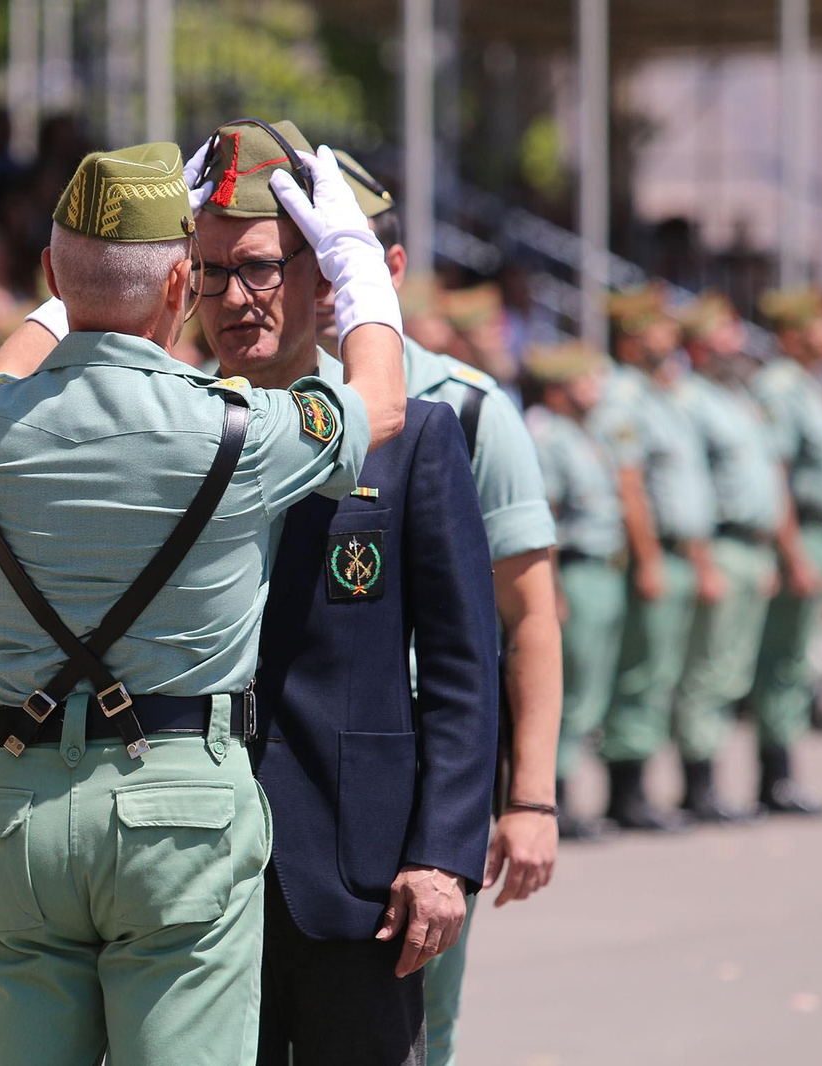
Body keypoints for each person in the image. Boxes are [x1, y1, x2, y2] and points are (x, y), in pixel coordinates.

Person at [0, 138, 403, 1066]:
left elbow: (8, 361)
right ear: (178, 286)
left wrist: (76, 285)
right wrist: (356, 268)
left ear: (49, 271)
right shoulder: (233, 430)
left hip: (19, 808)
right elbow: (381, 402)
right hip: (177, 813)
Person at [185, 119, 501, 1065]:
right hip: (192, 867)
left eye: (262, 268)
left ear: (328, 277)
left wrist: (443, 853)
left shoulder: (414, 439)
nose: (236, 299)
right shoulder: (172, 433)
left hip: (357, 865)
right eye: (209, 273)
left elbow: (460, 667)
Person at [326, 150, 563, 1066]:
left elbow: (531, 615)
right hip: (291, 758)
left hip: (418, 765)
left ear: (387, 269)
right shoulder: (254, 398)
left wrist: (530, 797)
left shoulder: (463, 410)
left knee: (416, 1021)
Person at [589, 287, 716, 833]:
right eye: (661, 328)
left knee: (663, 673)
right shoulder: (624, 397)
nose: (672, 338)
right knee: (640, 675)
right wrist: (647, 560)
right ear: (635, 335)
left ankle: (645, 787)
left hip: (679, 552)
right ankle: (627, 791)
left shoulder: (662, 393)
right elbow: (630, 487)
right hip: (653, 554)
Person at [669, 295, 787, 822]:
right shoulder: (690, 401)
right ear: (698, 345)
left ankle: (716, 783)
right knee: (708, 672)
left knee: (734, 671)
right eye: (722, 336)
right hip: (716, 543)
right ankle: (699, 784)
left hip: (751, 546)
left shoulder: (738, 397)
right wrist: (702, 562)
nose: (734, 345)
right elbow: (688, 491)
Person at [744, 287, 822, 817]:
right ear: (793, 333)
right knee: (782, 661)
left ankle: (783, 774)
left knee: (796, 661)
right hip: (798, 535)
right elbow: (777, 476)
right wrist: (793, 553)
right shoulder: (781, 387)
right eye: (819, 323)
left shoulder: (812, 385)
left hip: (820, 535)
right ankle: (774, 779)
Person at [523, 343, 625, 841]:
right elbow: (550, 524)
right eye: (586, 379)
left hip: (604, 572)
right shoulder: (550, 438)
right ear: (561, 386)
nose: (597, 389)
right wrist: (552, 591)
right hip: (576, 575)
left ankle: (575, 792)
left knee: (592, 690)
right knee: (570, 689)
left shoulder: (587, 434)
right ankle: (556, 795)